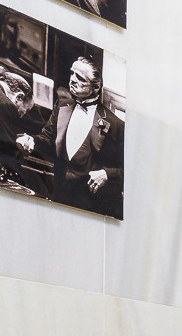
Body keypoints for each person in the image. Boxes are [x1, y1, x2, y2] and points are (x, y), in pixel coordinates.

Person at [43, 54, 123, 216]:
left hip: (92, 206)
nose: (72, 79)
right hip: (59, 195)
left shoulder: (116, 125)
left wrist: (107, 174)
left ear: (96, 87)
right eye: (72, 73)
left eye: (80, 78)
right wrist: (29, 140)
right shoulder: (61, 106)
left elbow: (129, 169)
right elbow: (45, 137)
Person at [0, 62, 43, 194]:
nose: (22, 115)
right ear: (19, 97)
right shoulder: (5, 104)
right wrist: (22, 145)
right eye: (25, 110)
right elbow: (7, 154)